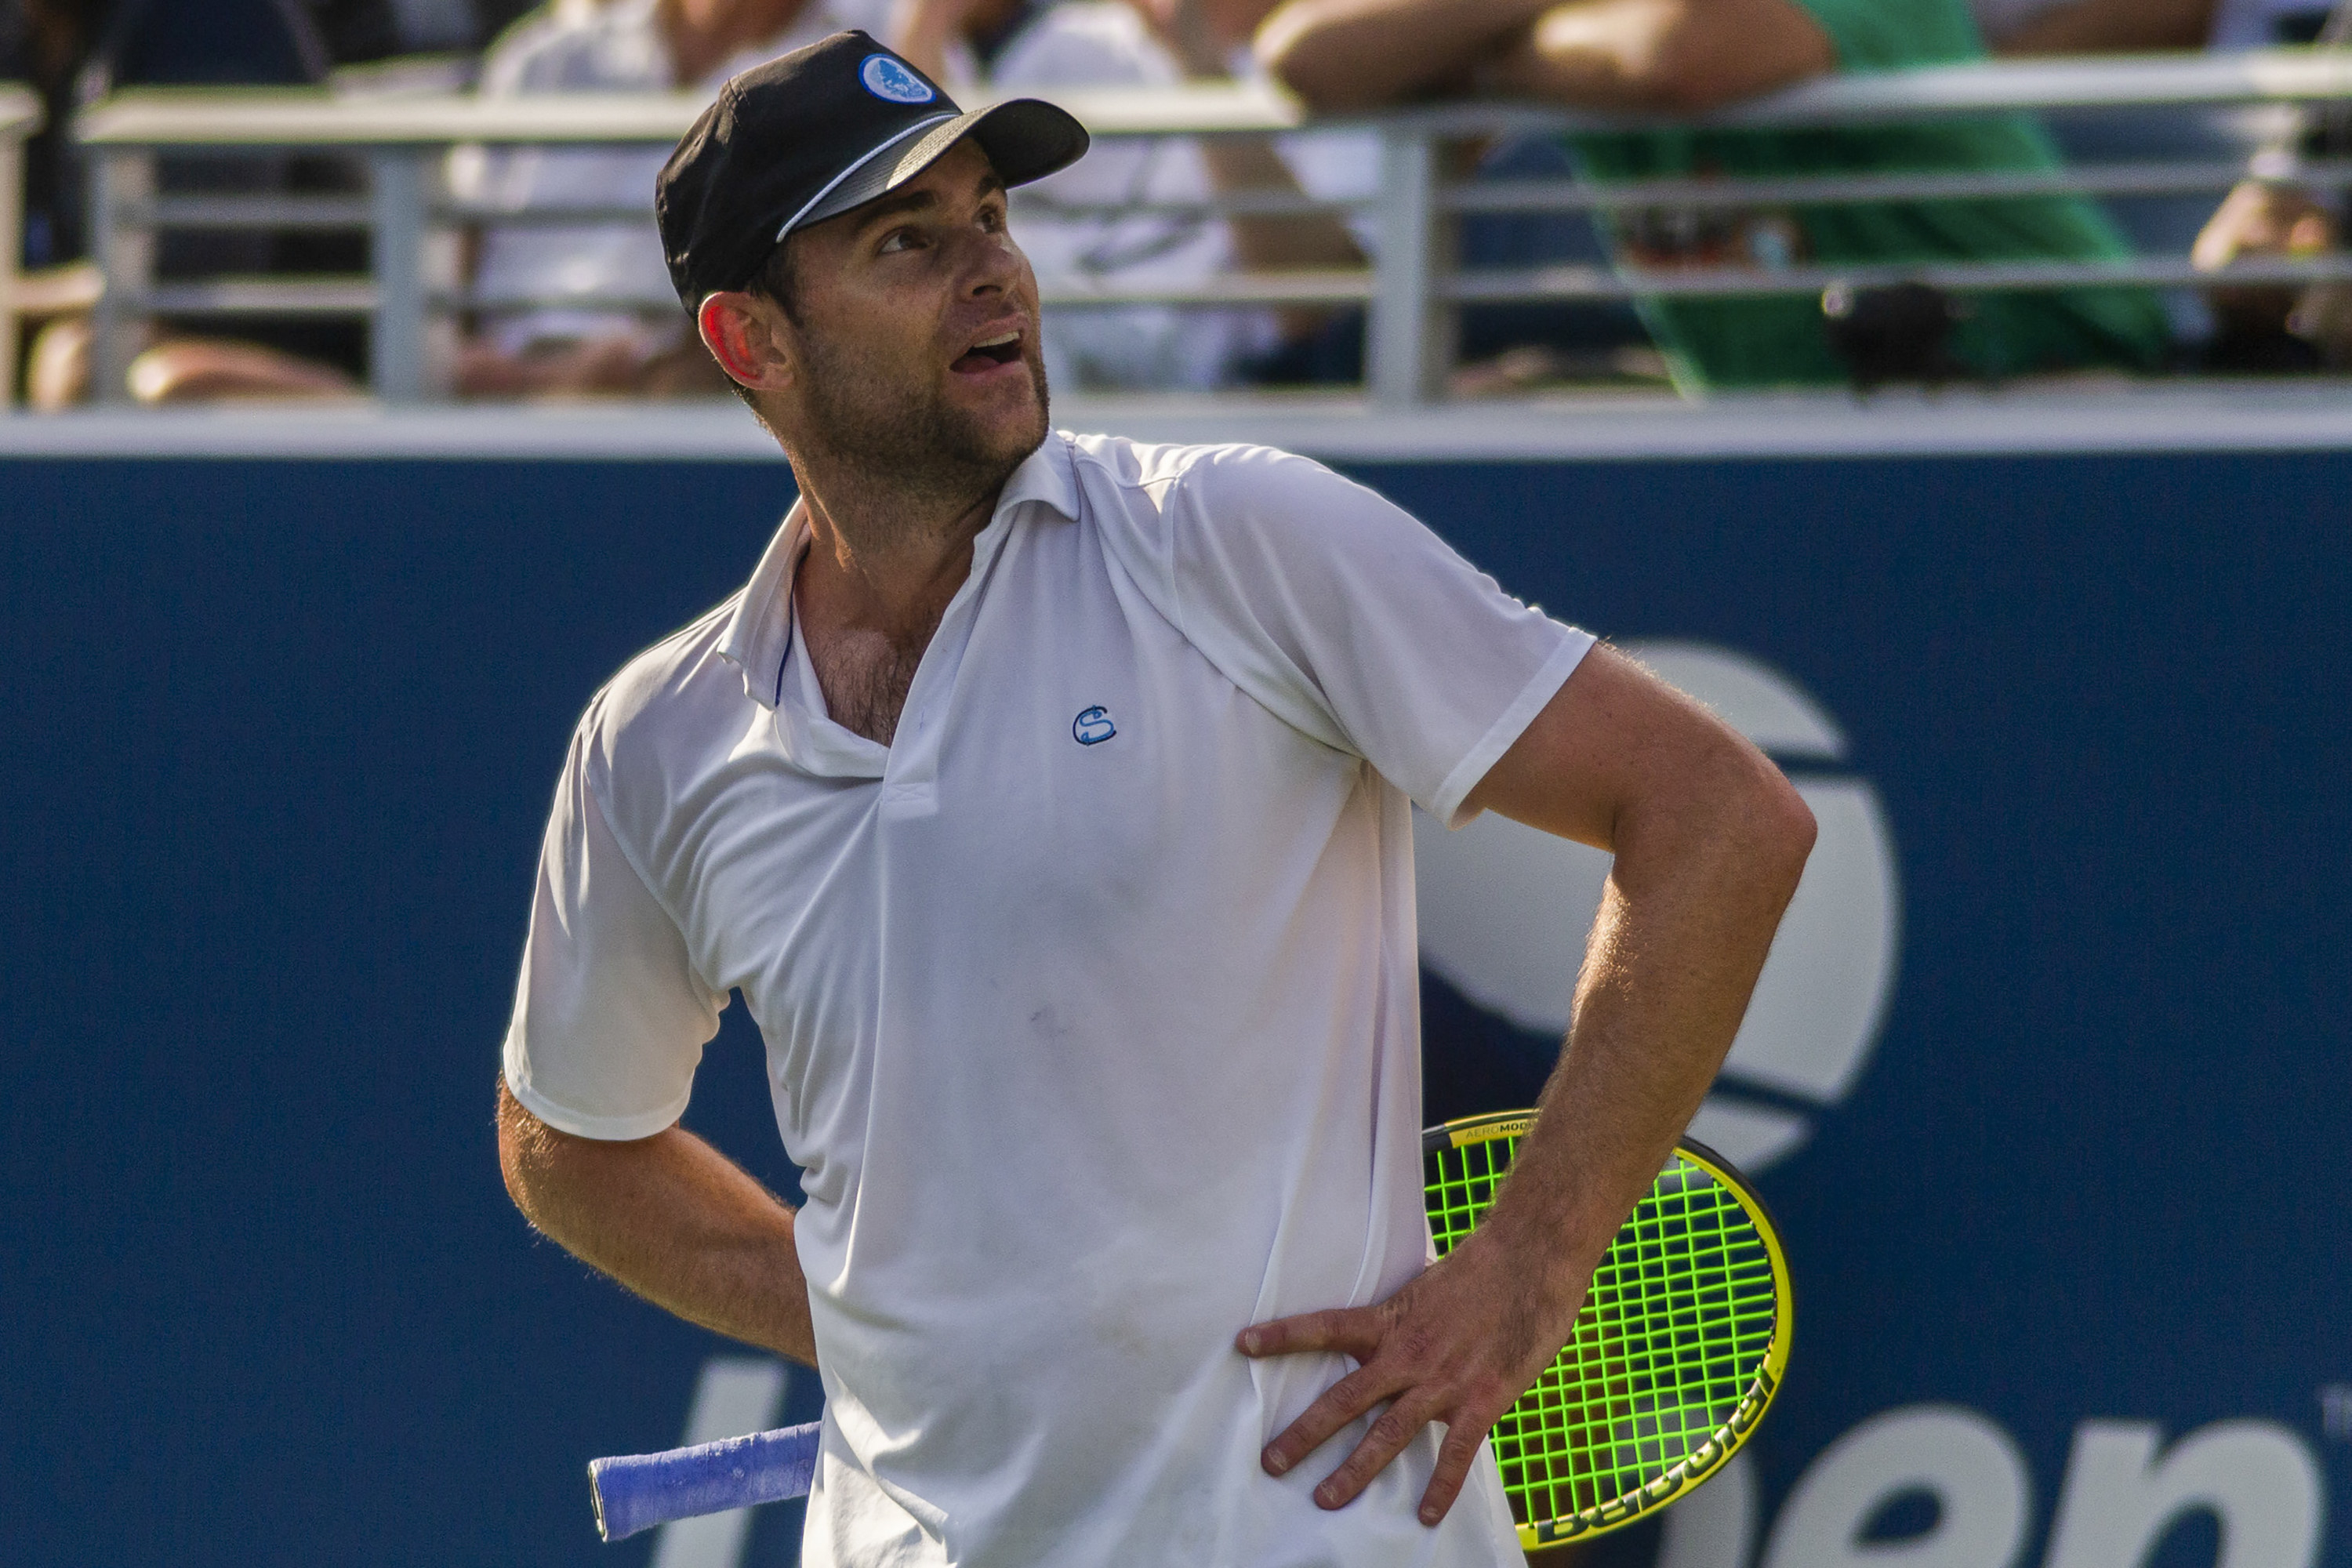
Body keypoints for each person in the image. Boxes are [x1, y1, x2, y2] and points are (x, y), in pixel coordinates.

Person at [494, 30, 1816, 1567]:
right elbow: (566, 1139)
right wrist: (878, 1319)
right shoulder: (655, 741)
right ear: (749, 341)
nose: (993, 271)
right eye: (906, 242)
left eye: (992, 215)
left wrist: (1534, 1258)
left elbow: (1719, 815)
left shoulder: (1239, 540)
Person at [1255, 0, 2173, 390]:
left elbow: (1678, 61)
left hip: (2053, 393)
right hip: (1794, 422)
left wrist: (1494, 58)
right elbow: (1310, 56)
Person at [449, 0, 895, 397]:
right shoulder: (539, 60)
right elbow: (442, 258)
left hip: (697, 418)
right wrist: (461, 365)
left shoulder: (879, 56)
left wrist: (654, 376)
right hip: (479, 411)